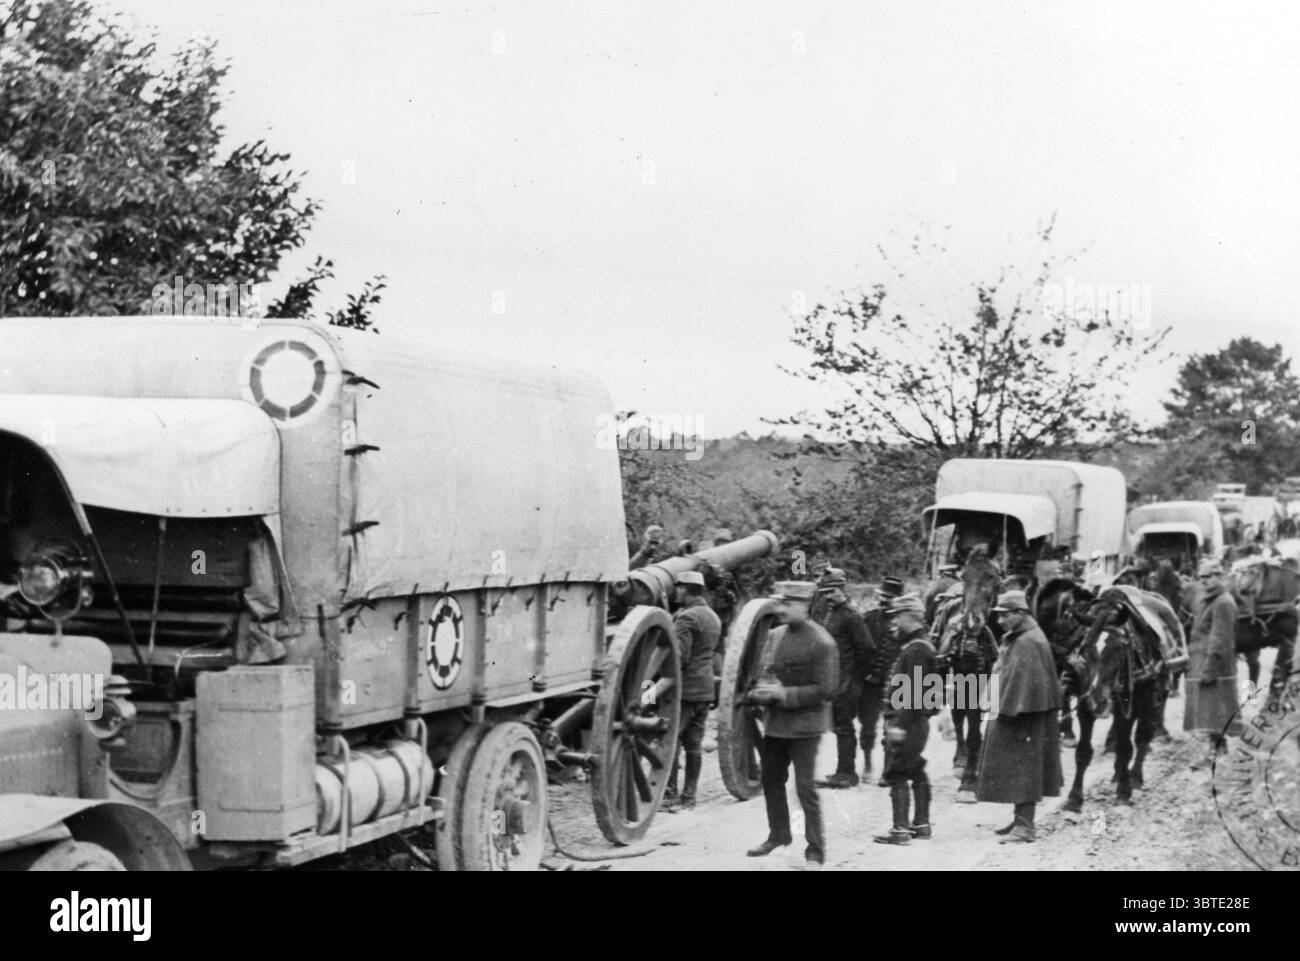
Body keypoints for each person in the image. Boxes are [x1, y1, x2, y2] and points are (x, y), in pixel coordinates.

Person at [744, 581, 838, 870]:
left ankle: (815, 851)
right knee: (771, 780)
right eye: (781, 603)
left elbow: (827, 689)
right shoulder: (774, 636)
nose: (782, 610)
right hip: (776, 725)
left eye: (789, 605)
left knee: (804, 787)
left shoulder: (822, 642)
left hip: (805, 727)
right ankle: (779, 834)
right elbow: (765, 671)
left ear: (805, 606)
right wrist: (761, 689)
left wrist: (784, 695)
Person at [976, 589, 1063, 843]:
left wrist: (1011, 709)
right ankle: (1019, 819)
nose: (1000, 621)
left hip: (1025, 715)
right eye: (999, 616)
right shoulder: (1019, 636)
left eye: (1004, 616)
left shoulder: (1029, 642)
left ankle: (1025, 826)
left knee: (1026, 767)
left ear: (1020, 613)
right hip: (1015, 710)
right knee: (1017, 766)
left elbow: (1027, 684)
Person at [873, 594, 942, 844]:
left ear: (911, 618)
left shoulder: (916, 650)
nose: (895, 623)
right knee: (915, 768)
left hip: (907, 721)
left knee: (897, 772)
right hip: (915, 721)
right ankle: (921, 825)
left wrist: (899, 726)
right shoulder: (922, 646)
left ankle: (899, 831)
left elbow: (914, 695)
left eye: (898, 617)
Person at [662, 570, 721, 812]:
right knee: (694, 744)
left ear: (685, 589)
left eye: (678, 588)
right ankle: (689, 798)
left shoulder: (686, 618)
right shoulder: (713, 617)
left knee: (671, 740)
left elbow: (680, 658)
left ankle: (668, 794)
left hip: (684, 690)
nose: (676, 592)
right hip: (705, 689)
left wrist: (649, 692)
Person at [813, 568, 874, 788]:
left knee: (844, 726)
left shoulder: (851, 616)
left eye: (832, 591)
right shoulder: (830, 613)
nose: (827, 596)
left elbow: (866, 648)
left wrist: (856, 676)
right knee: (840, 725)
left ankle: (847, 773)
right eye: (825, 592)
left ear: (842, 589)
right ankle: (843, 771)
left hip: (847, 681)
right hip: (833, 679)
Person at [1184, 559, 1243, 760]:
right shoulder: (1208, 600)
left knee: (1214, 708)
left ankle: (1216, 752)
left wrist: (1209, 669)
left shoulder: (1223, 602)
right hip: (1202, 660)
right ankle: (1217, 748)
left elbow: (1220, 640)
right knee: (1209, 708)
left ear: (1220, 576)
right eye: (1201, 578)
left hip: (1216, 663)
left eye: (1208, 577)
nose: (1204, 582)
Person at [864, 575, 904, 785]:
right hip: (872, 681)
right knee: (868, 726)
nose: (883, 601)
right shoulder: (869, 618)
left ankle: (888, 770)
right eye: (882, 597)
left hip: (895, 683)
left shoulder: (903, 622)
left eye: (888, 598)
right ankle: (867, 763)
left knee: (891, 728)